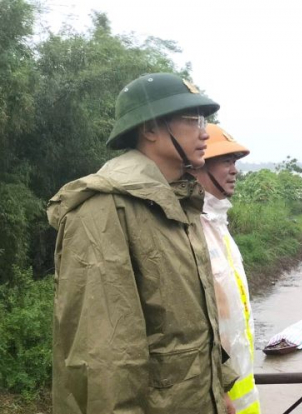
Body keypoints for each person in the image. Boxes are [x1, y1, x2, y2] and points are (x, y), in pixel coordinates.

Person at [47, 73, 238, 414]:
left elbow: (189, 329)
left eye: (204, 120)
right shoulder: (105, 208)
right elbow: (105, 356)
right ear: (150, 129)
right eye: (193, 120)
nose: (205, 132)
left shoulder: (179, 202)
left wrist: (218, 390)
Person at [189, 124, 260, 414]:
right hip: (218, 395)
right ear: (198, 166)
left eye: (235, 162)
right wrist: (218, 387)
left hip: (241, 385)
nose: (234, 171)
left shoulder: (218, 224)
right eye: (226, 162)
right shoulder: (188, 227)